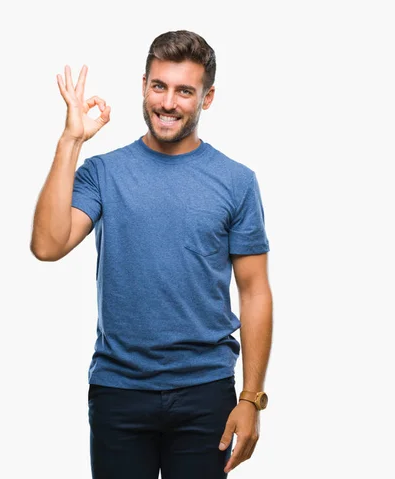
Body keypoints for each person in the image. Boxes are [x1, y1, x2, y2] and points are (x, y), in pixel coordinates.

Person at [30, 30, 273, 479]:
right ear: (144, 85)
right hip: (119, 392)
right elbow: (47, 245)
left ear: (208, 98)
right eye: (159, 86)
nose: (168, 102)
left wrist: (251, 398)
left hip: (205, 392)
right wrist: (71, 141)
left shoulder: (236, 181)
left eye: (185, 91)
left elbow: (255, 291)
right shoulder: (103, 173)